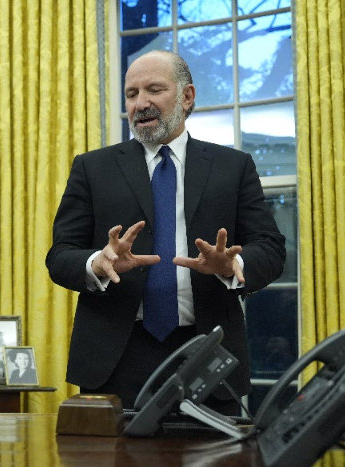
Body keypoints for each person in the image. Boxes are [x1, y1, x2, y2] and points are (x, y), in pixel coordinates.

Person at [45, 50, 286, 414]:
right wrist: (97, 262)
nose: (140, 103)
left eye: (154, 90)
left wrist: (230, 264)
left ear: (187, 96)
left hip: (208, 354)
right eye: (131, 94)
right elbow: (60, 255)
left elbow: (270, 249)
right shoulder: (93, 168)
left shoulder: (233, 167)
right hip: (114, 360)